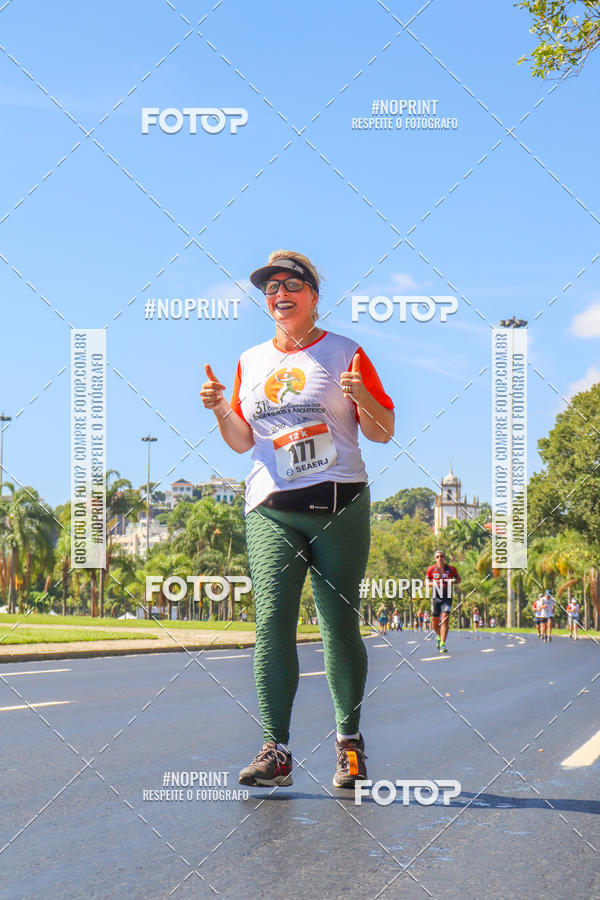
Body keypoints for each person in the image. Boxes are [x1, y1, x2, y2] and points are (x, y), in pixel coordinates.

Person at [201, 250, 394, 790]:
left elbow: (382, 431)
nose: (279, 294)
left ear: (313, 294)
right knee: (271, 624)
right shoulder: (252, 360)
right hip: (271, 505)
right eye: (270, 288)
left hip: (339, 504)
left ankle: (349, 745)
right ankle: (275, 750)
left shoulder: (345, 353)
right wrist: (220, 408)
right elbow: (243, 441)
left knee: (337, 625)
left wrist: (361, 398)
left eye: (291, 285)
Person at [426, 550, 461, 653]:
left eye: (441, 556)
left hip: (447, 597)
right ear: (435, 559)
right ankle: (439, 637)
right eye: (437, 557)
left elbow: (458, 579)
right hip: (435, 597)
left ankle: (442, 644)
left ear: (444, 558)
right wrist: (434, 583)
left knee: (445, 618)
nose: (439, 558)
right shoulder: (431, 569)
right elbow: (426, 582)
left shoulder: (451, 569)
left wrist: (452, 582)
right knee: (434, 623)